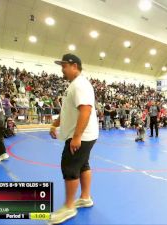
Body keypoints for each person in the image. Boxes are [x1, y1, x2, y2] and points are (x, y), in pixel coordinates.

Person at [49, 54, 99, 224]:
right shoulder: (75, 85)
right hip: (85, 135)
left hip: (82, 136)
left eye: (64, 66)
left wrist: (76, 137)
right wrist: (54, 124)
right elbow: (67, 111)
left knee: (70, 167)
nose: (62, 70)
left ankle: (69, 206)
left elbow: (85, 110)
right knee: (83, 164)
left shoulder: (80, 85)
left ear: (74, 66)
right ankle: (85, 197)